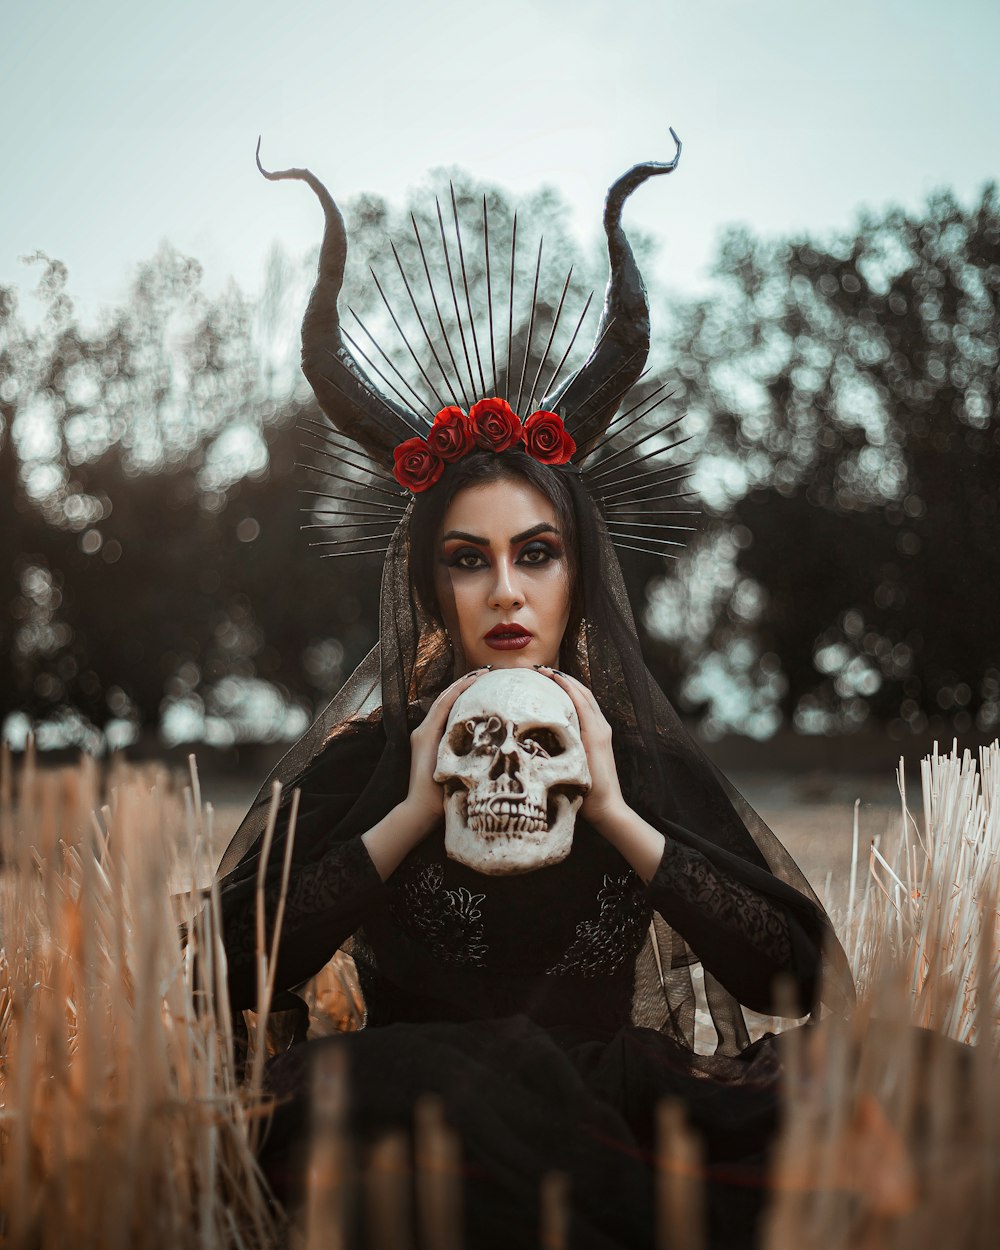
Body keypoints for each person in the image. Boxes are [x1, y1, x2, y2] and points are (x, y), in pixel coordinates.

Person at [213, 139, 855, 1250]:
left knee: (892, 1100)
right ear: (428, 579)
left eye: (536, 552)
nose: (504, 589)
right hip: (415, 1115)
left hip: (617, 1107)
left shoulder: (638, 761)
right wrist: (405, 807)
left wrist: (613, 804)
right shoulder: (370, 757)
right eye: (468, 558)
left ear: (578, 569)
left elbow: (791, 975)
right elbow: (221, 961)